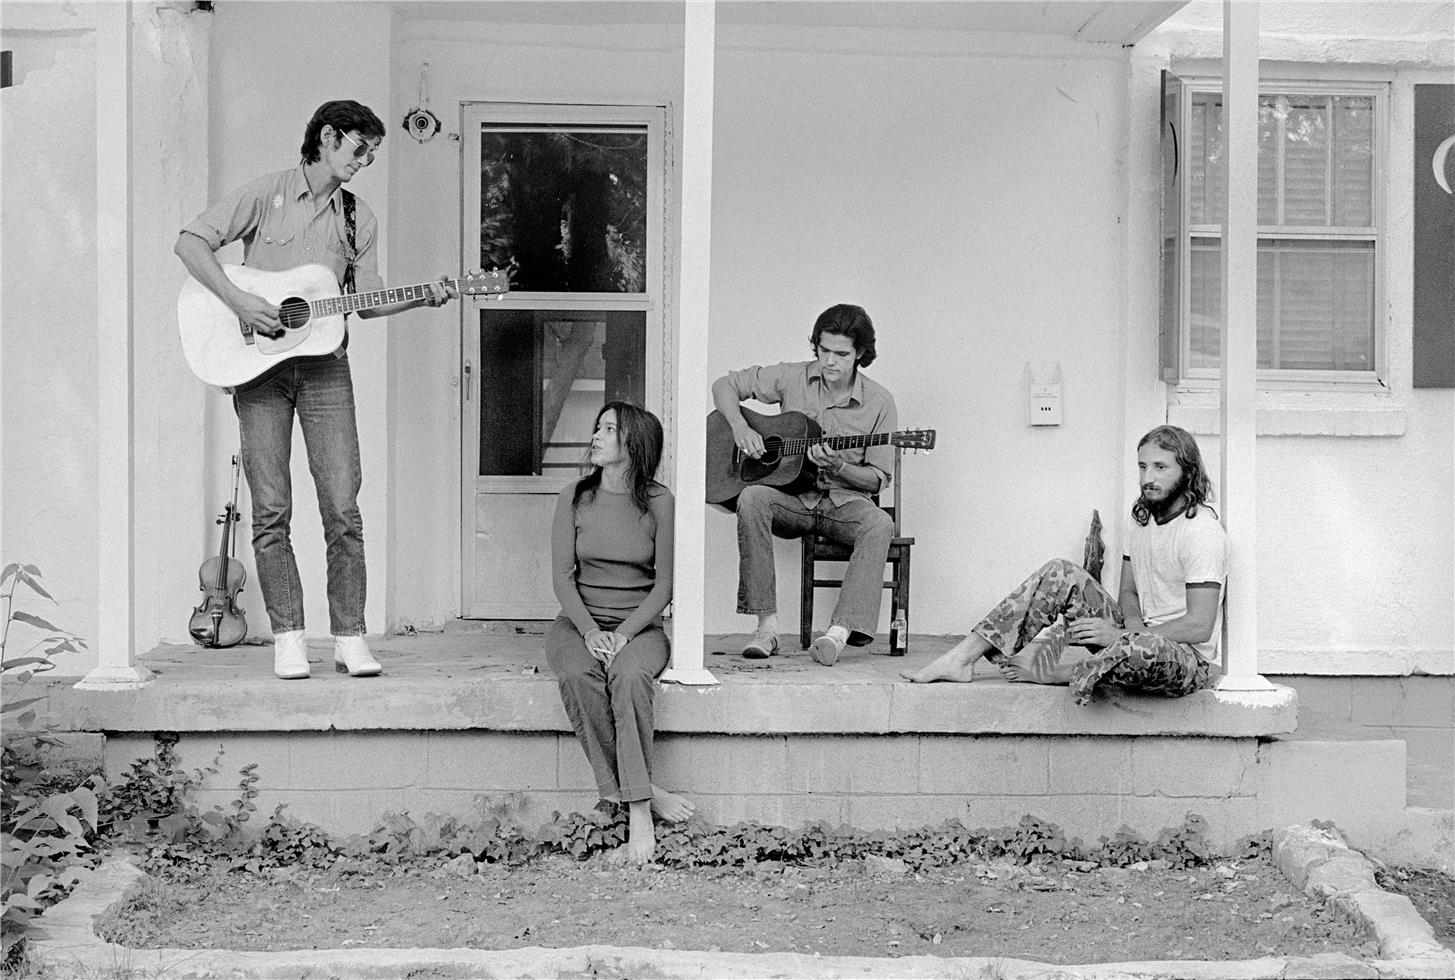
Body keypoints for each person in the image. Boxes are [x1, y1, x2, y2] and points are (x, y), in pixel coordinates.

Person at [175, 100, 457, 680]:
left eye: (373, 154)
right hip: (258, 368)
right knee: (272, 506)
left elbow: (369, 301)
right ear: (327, 138)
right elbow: (189, 244)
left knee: (343, 507)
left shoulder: (358, 218)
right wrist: (241, 301)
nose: (365, 161)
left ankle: (350, 638)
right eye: (359, 149)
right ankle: (288, 637)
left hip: (326, 367)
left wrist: (428, 293)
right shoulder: (266, 193)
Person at [902, 425, 1226, 705]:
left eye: (1160, 468)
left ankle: (1055, 674)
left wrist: (1122, 638)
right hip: (1134, 636)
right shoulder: (1141, 518)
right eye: (1142, 467)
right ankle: (962, 659)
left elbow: (1199, 625)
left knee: (1139, 650)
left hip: (1185, 659)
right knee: (1061, 572)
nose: (1147, 478)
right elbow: (1128, 591)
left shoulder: (1200, 532)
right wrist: (1129, 629)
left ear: (1187, 471)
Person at [546, 401, 694, 866]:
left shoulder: (659, 503)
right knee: (577, 675)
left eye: (608, 429)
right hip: (579, 623)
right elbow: (562, 578)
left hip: (640, 626)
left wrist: (625, 635)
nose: (596, 435)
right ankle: (644, 792)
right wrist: (590, 633)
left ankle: (638, 818)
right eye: (598, 427)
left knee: (629, 680)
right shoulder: (574, 497)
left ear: (634, 444)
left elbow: (665, 584)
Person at [712, 303, 898, 666]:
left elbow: (877, 479)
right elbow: (725, 385)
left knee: (880, 523)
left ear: (860, 353)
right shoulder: (791, 377)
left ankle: (837, 635)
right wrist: (740, 427)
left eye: (841, 354)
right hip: (791, 499)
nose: (829, 361)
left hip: (843, 504)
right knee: (751, 497)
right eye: (823, 350)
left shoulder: (880, 402)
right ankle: (766, 629)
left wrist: (841, 466)